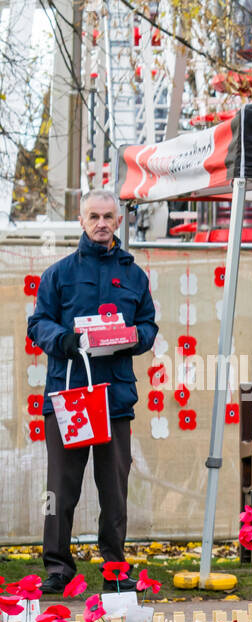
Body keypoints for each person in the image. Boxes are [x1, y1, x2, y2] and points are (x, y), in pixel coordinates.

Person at [28, 189, 158, 594]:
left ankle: (115, 569)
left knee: (114, 490)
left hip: (115, 399)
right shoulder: (59, 274)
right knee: (59, 488)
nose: (101, 223)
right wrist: (62, 339)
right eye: (93, 216)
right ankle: (58, 567)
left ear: (118, 221)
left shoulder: (135, 276)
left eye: (108, 216)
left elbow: (149, 326)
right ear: (82, 221)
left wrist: (134, 336)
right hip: (67, 397)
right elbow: (38, 324)